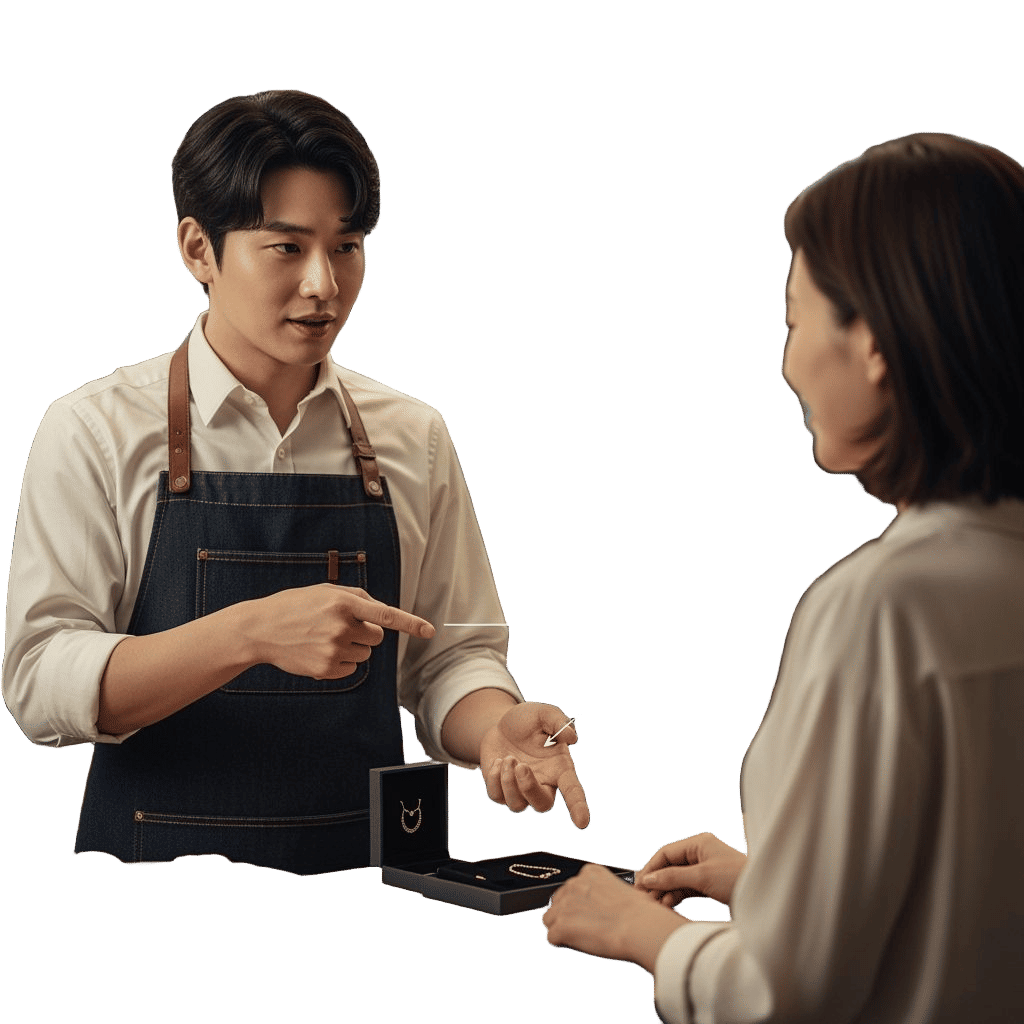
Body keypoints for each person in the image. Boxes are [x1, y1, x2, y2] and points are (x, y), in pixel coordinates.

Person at [1, 89, 588, 876]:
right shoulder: (95, 429)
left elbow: (450, 657)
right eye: (286, 247)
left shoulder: (413, 435)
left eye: (345, 246)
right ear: (197, 250)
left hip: (371, 882)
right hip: (150, 888)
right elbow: (40, 682)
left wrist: (493, 729)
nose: (324, 285)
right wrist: (249, 634)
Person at [541, 132, 1024, 1022]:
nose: (787, 362)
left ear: (874, 340)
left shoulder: (882, 609)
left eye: (796, 321)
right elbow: (975, 899)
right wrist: (770, 886)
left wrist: (638, 931)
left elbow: (783, 998)